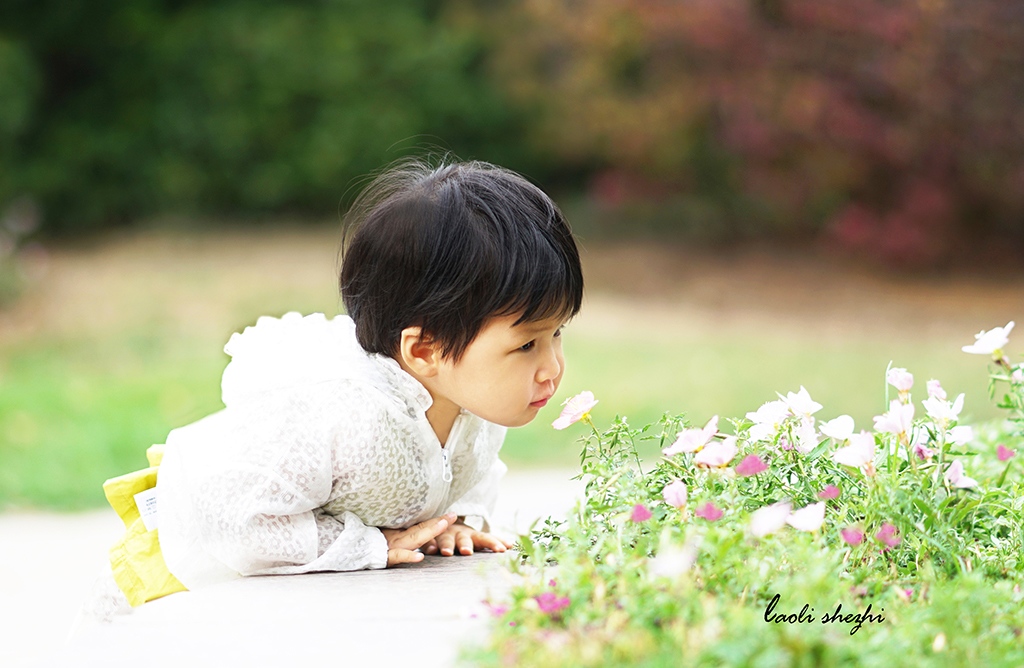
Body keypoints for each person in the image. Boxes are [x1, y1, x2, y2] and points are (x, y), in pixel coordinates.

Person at [83, 159, 584, 620]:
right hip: (183, 574)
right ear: (426, 349)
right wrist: (366, 547)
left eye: (556, 333)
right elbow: (225, 508)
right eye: (526, 346)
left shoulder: (471, 399)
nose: (552, 368)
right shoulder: (340, 412)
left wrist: (456, 522)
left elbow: (469, 472)